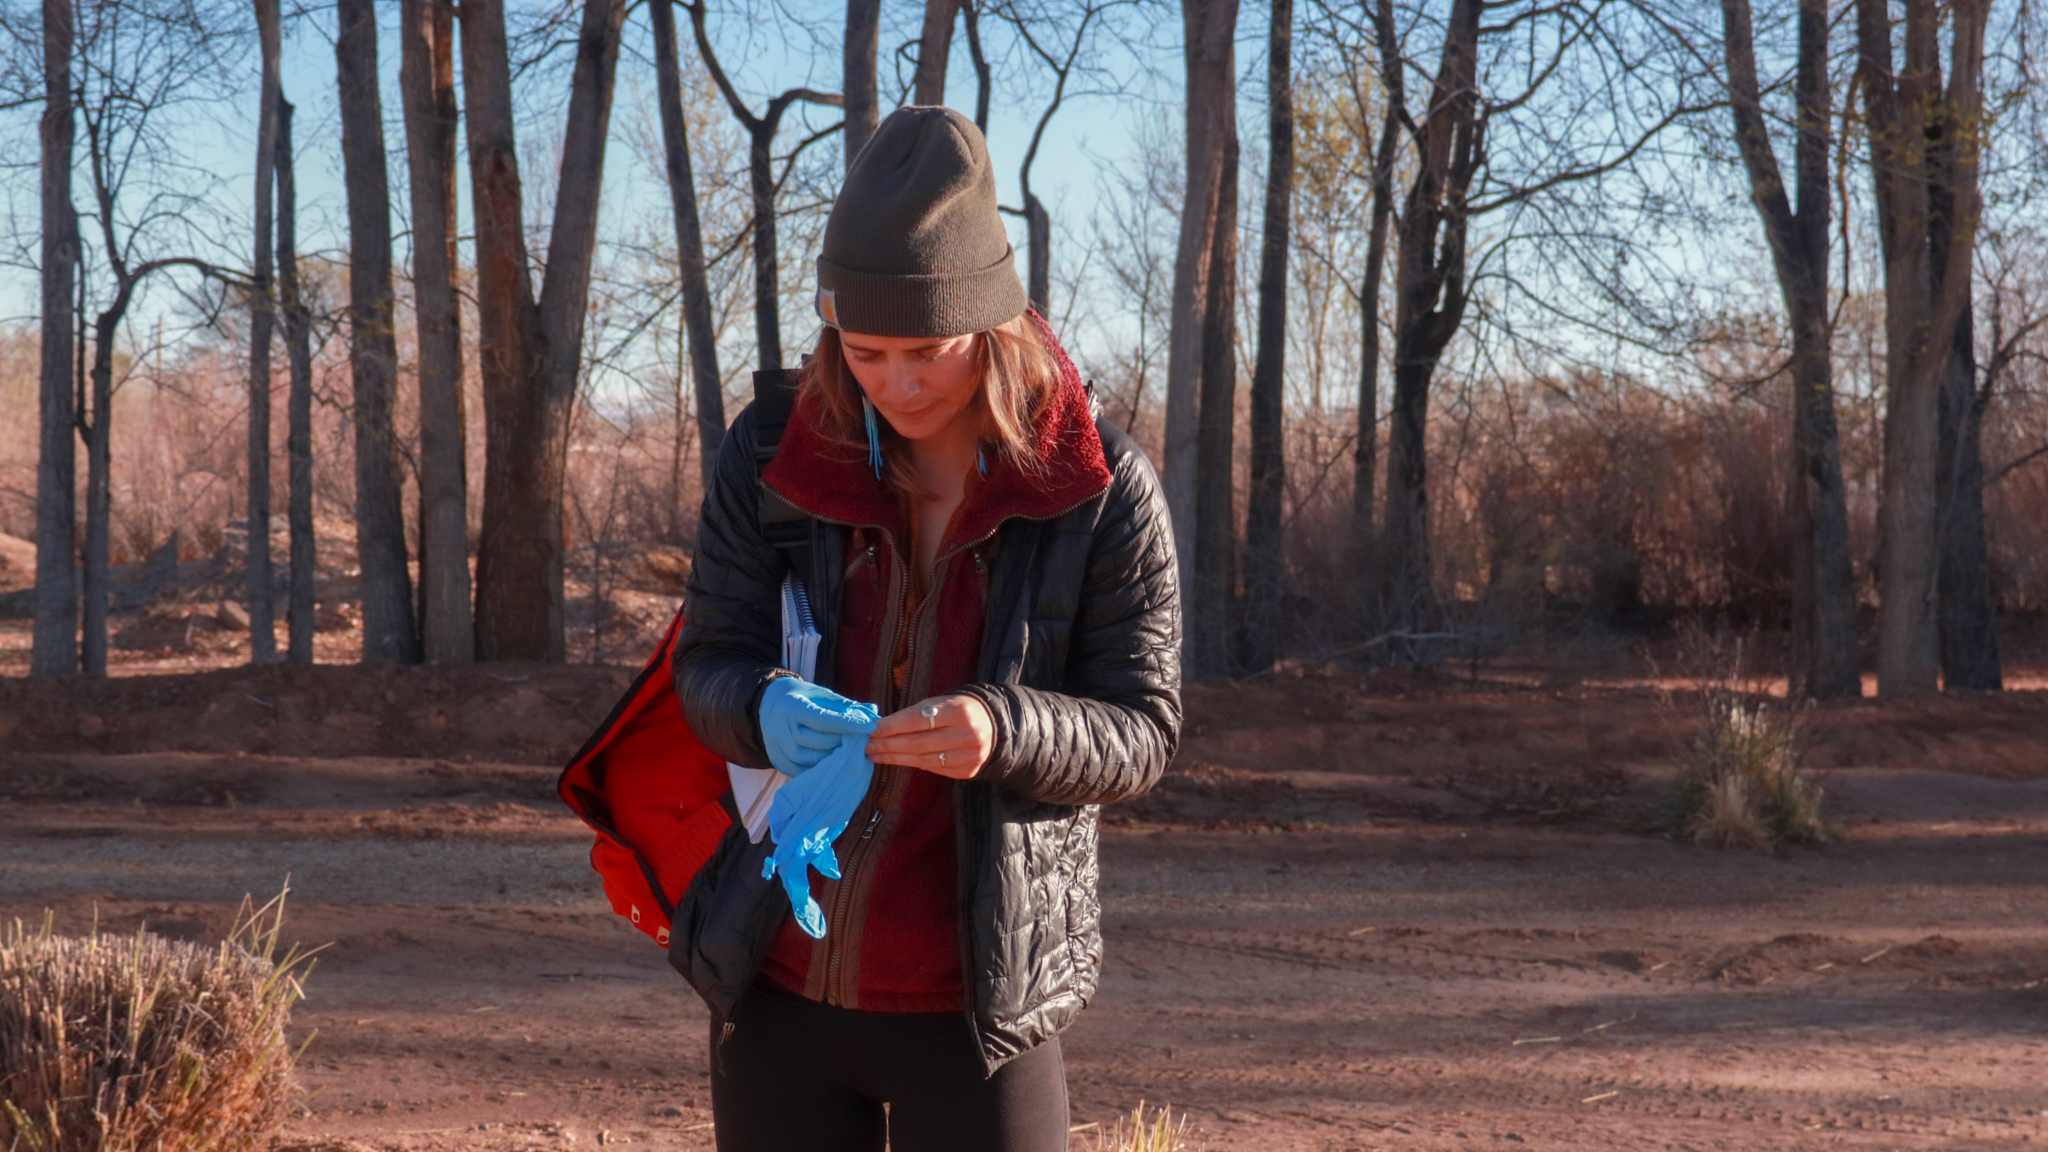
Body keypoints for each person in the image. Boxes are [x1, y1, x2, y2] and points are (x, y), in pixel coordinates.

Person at [668, 105, 1182, 1152]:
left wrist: (1006, 730)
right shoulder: (770, 458)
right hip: (776, 978)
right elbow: (705, 667)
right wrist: (761, 707)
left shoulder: (1099, 487)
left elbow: (1142, 731)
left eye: (925, 351)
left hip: (980, 1006)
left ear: (989, 330)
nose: (896, 385)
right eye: (863, 351)